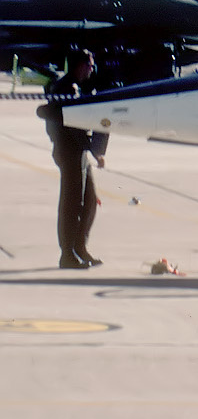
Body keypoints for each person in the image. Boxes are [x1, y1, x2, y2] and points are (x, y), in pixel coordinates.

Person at [37, 49, 108, 269]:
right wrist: (95, 149)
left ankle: (79, 247)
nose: (91, 68)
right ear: (79, 65)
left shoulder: (71, 87)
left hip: (78, 153)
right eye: (89, 64)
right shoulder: (67, 89)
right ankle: (67, 254)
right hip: (71, 153)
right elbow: (71, 126)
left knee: (89, 203)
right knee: (72, 204)